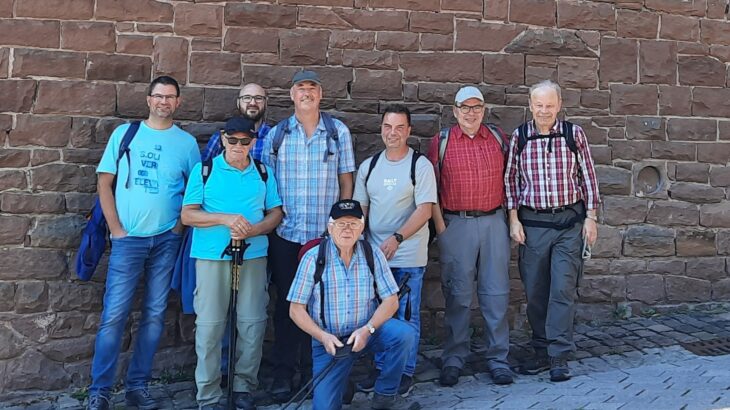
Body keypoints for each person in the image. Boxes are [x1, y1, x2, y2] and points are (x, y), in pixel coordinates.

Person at [87, 76, 201, 410]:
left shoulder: (187, 144)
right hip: (128, 240)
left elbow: (194, 192)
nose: (164, 102)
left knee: (154, 314)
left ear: (178, 103)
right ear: (149, 100)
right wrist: (115, 229)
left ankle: (138, 386)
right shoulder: (125, 135)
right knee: (114, 315)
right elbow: (104, 183)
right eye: (159, 96)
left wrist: (179, 228)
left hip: (167, 239)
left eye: (171, 97)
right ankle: (100, 390)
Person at [262, 70, 356, 401]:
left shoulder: (337, 132)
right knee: (288, 305)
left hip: (323, 238)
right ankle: (284, 373)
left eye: (312, 88)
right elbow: (267, 185)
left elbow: (346, 181)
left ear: (320, 94)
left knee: (328, 308)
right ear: (291, 95)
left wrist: (343, 227)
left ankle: (327, 375)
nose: (306, 93)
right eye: (300, 88)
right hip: (287, 237)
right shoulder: (277, 135)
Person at [181, 117, 283, 409]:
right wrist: (225, 219)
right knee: (210, 325)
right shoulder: (205, 170)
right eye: (233, 140)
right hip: (212, 256)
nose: (239, 146)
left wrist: (255, 228)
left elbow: (275, 213)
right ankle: (209, 394)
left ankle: (243, 387)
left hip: (253, 254)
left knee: (252, 322)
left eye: (245, 141)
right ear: (223, 139)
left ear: (253, 142)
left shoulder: (263, 172)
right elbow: (188, 215)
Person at [505, 79, 600, 382]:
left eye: (550, 105)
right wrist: (513, 220)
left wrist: (591, 217)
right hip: (532, 227)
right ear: (530, 105)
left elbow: (589, 178)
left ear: (559, 105)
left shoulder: (574, 135)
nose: (544, 111)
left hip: (568, 225)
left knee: (562, 289)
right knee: (536, 292)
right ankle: (541, 349)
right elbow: (509, 181)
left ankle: (559, 356)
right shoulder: (520, 137)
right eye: (539, 105)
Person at [288, 200, 421, 410]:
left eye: (352, 223)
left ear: (361, 227)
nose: (347, 229)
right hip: (331, 342)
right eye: (341, 224)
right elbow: (295, 309)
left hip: (368, 331)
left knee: (404, 334)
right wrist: (323, 336)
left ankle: (385, 395)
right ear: (330, 227)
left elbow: (391, 300)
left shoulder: (372, 253)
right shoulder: (313, 258)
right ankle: (342, 385)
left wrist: (367, 330)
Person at [427, 86, 513, 387]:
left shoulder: (499, 139)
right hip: (456, 224)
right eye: (465, 107)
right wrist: (441, 228)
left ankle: (498, 358)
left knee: (496, 294)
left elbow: (513, 180)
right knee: (458, 295)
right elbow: (431, 190)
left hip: (493, 221)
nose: (471, 112)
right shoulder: (442, 142)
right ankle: (454, 357)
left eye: (476, 107)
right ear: (455, 110)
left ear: (484, 109)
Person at [353, 104, 436, 395]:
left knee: (406, 315)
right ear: (381, 129)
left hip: (408, 257)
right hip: (375, 259)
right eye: (388, 127)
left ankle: (404, 372)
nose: (393, 133)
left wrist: (397, 238)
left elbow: (425, 210)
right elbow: (360, 210)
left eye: (400, 127)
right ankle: (381, 370)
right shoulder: (370, 166)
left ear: (409, 131)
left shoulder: (420, 165)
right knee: (378, 317)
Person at [203, 83, 271, 162]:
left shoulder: (274, 137)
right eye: (247, 98)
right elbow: (204, 170)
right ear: (238, 103)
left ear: (266, 103)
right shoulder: (221, 137)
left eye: (258, 98)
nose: (252, 103)